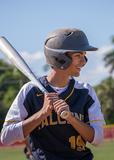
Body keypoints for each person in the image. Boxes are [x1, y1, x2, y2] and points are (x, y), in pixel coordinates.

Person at [1, 28, 105, 160]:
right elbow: (6, 137)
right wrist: (42, 113)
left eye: (84, 55)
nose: (84, 61)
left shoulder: (85, 91)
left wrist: (71, 118)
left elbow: (98, 139)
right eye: (78, 55)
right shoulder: (30, 91)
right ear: (60, 58)